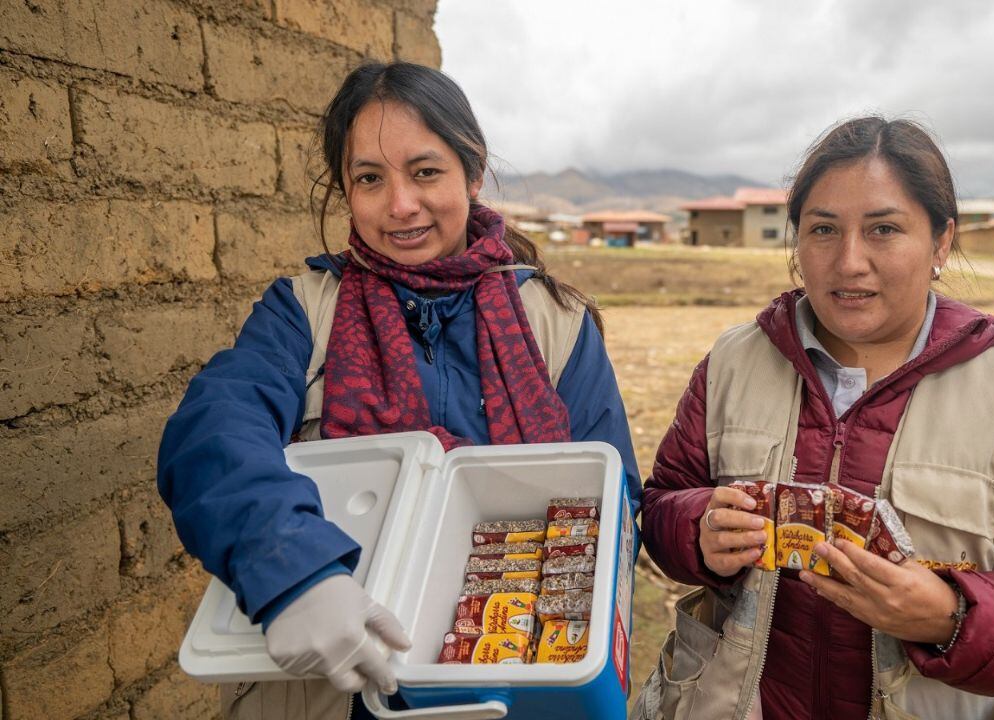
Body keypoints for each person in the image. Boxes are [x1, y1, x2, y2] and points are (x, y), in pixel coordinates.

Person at [157, 62, 640, 720]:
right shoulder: (303, 312)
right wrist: (292, 568)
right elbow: (215, 430)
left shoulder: (556, 322)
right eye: (370, 179)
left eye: (425, 171)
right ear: (346, 190)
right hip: (332, 688)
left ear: (473, 172)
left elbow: (613, 504)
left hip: (510, 687)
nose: (400, 205)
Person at [637, 117, 994, 720]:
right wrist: (699, 530)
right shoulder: (734, 362)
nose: (849, 262)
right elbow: (664, 503)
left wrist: (949, 616)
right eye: (823, 229)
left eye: (884, 229)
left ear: (941, 242)